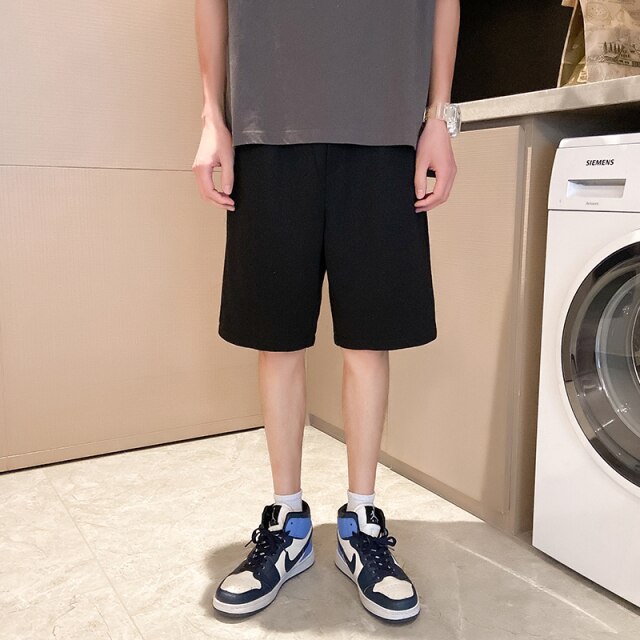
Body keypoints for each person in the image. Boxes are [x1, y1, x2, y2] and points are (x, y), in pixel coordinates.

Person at [193, 0, 460, 624]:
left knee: (370, 338)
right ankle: (288, 521)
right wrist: (212, 114)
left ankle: (360, 521)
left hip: (386, 127)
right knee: (277, 337)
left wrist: (440, 117)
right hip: (268, 124)